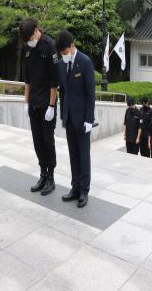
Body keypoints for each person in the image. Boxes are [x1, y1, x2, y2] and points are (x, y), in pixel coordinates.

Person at [56, 30, 95, 208]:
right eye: (61, 54)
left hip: (82, 119)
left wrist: (89, 119)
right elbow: (63, 91)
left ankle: (84, 191)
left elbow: (90, 94)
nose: (63, 56)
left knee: (83, 155)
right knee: (73, 154)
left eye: (65, 52)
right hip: (69, 117)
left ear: (72, 46)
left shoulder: (85, 62)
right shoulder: (62, 64)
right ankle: (75, 187)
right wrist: (63, 113)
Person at [20, 18, 58, 196]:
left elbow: (54, 81)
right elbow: (27, 78)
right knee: (37, 140)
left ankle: (51, 177)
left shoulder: (50, 46)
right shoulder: (28, 48)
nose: (29, 41)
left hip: (47, 103)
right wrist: (26, 102)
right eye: (26, 39)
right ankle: (42, 173)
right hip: (34, 102)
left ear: (36, 30)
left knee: (48, 141)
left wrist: (51, 105)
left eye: (30, 37)